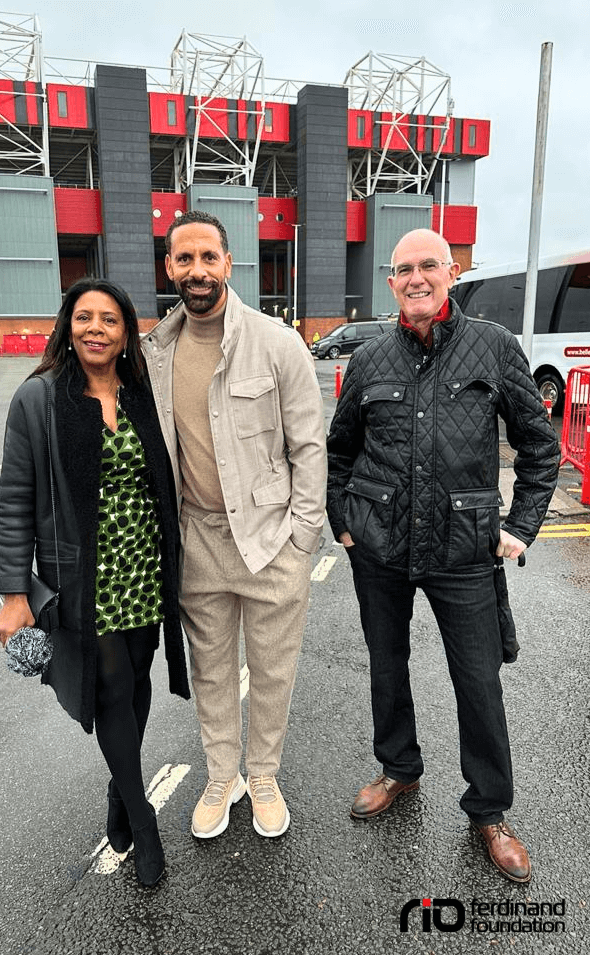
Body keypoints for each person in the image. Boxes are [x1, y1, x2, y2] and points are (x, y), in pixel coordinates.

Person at [327, 228, 559, 883]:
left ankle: (488, 810)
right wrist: (343, 521)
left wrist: (520, 524)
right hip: (379, 546)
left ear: (449, 272)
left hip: (464, 550)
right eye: (403, 269)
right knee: (385, 667)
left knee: (478, 683)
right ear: (391, 281)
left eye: (428, 264)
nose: (416, 277)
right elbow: (338, 450)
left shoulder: (493, 346)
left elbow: (540, 449)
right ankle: (398, 768)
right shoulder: (369, 359)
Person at [0, 277, 190, 887]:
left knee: (134, 691)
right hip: (85, 578)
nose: (96, 329)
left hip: (144, 570)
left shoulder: (141, 393)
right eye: (85, 318)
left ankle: (118, 791)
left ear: (127, 331)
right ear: (68, 326)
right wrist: (14, 592)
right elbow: (15, 500)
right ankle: (143, 817)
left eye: (109, 319)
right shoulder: (39, 399)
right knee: (108, 691)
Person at [141, 211, 327, 840]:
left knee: (273, 668)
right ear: (170, 267)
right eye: (184, 259)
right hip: (198, 541)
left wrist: (304, 537)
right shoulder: (153, 353)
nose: (197, 271)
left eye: (208, 258)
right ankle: (224, 774)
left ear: (228, 263)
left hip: (271, 540)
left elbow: (309, 445)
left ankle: (265, 773)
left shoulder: (277, 342)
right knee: (211, 669)